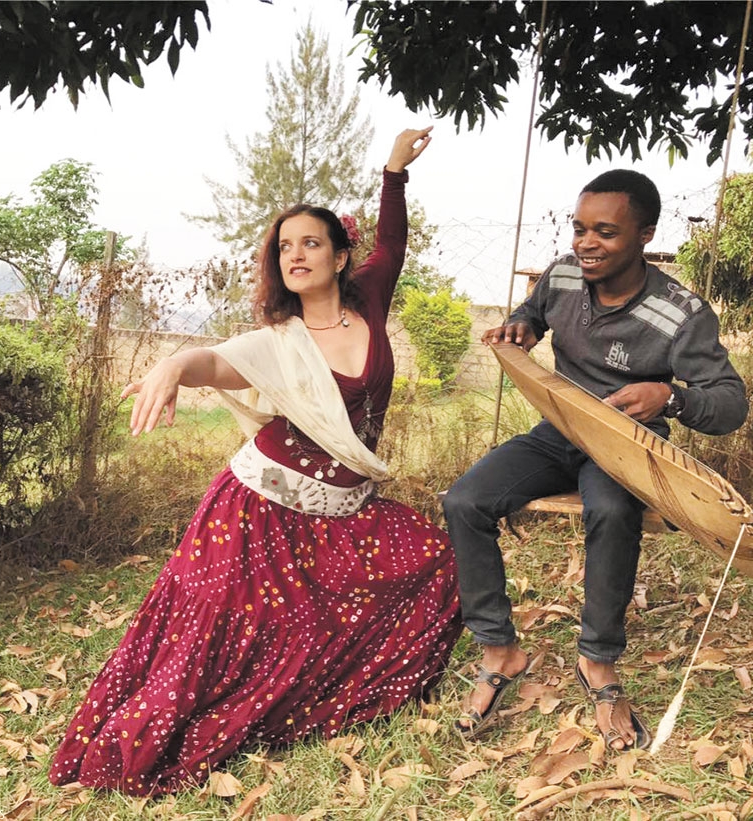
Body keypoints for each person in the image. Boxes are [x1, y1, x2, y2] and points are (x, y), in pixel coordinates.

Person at [49, 127, 462, 796]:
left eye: (310, 242)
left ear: (339, 255)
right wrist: (174, 365)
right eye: (284, 246)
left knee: (436, 559)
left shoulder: (371, 299)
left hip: (344, 512)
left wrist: (393, 171)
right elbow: (213, 360)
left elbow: (394, 240)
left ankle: (340, 683)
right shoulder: (277, 339)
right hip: (258, 510)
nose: (294, 254)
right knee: (215, 644)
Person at [443, 169, 748, 751]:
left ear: (645, 235)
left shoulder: (680, 312)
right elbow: (534, 310)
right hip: (559, 428)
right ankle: (500, 651)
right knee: (465, 500)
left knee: (611, 513)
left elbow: (731, 405)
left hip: (625, 446)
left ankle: (599, 661)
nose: (586, 243)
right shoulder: (562, 274)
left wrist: (672, 396)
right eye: (580, 228)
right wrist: (523, 326)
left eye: (605, 232)